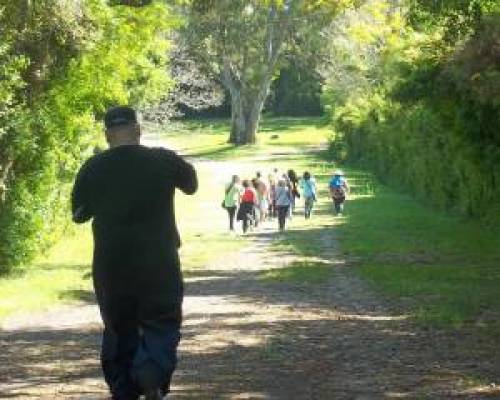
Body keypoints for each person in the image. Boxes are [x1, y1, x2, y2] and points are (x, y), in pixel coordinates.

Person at [71, 106, 197, 400]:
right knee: (162, 318)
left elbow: (79, 214)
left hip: (111, 262)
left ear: (107, 135)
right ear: (138, 130)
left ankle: (123, 389)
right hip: (159, 259)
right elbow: (191, 184)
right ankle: (151, 374)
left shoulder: (93, 167)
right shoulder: (162, 160)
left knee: (118, 325)